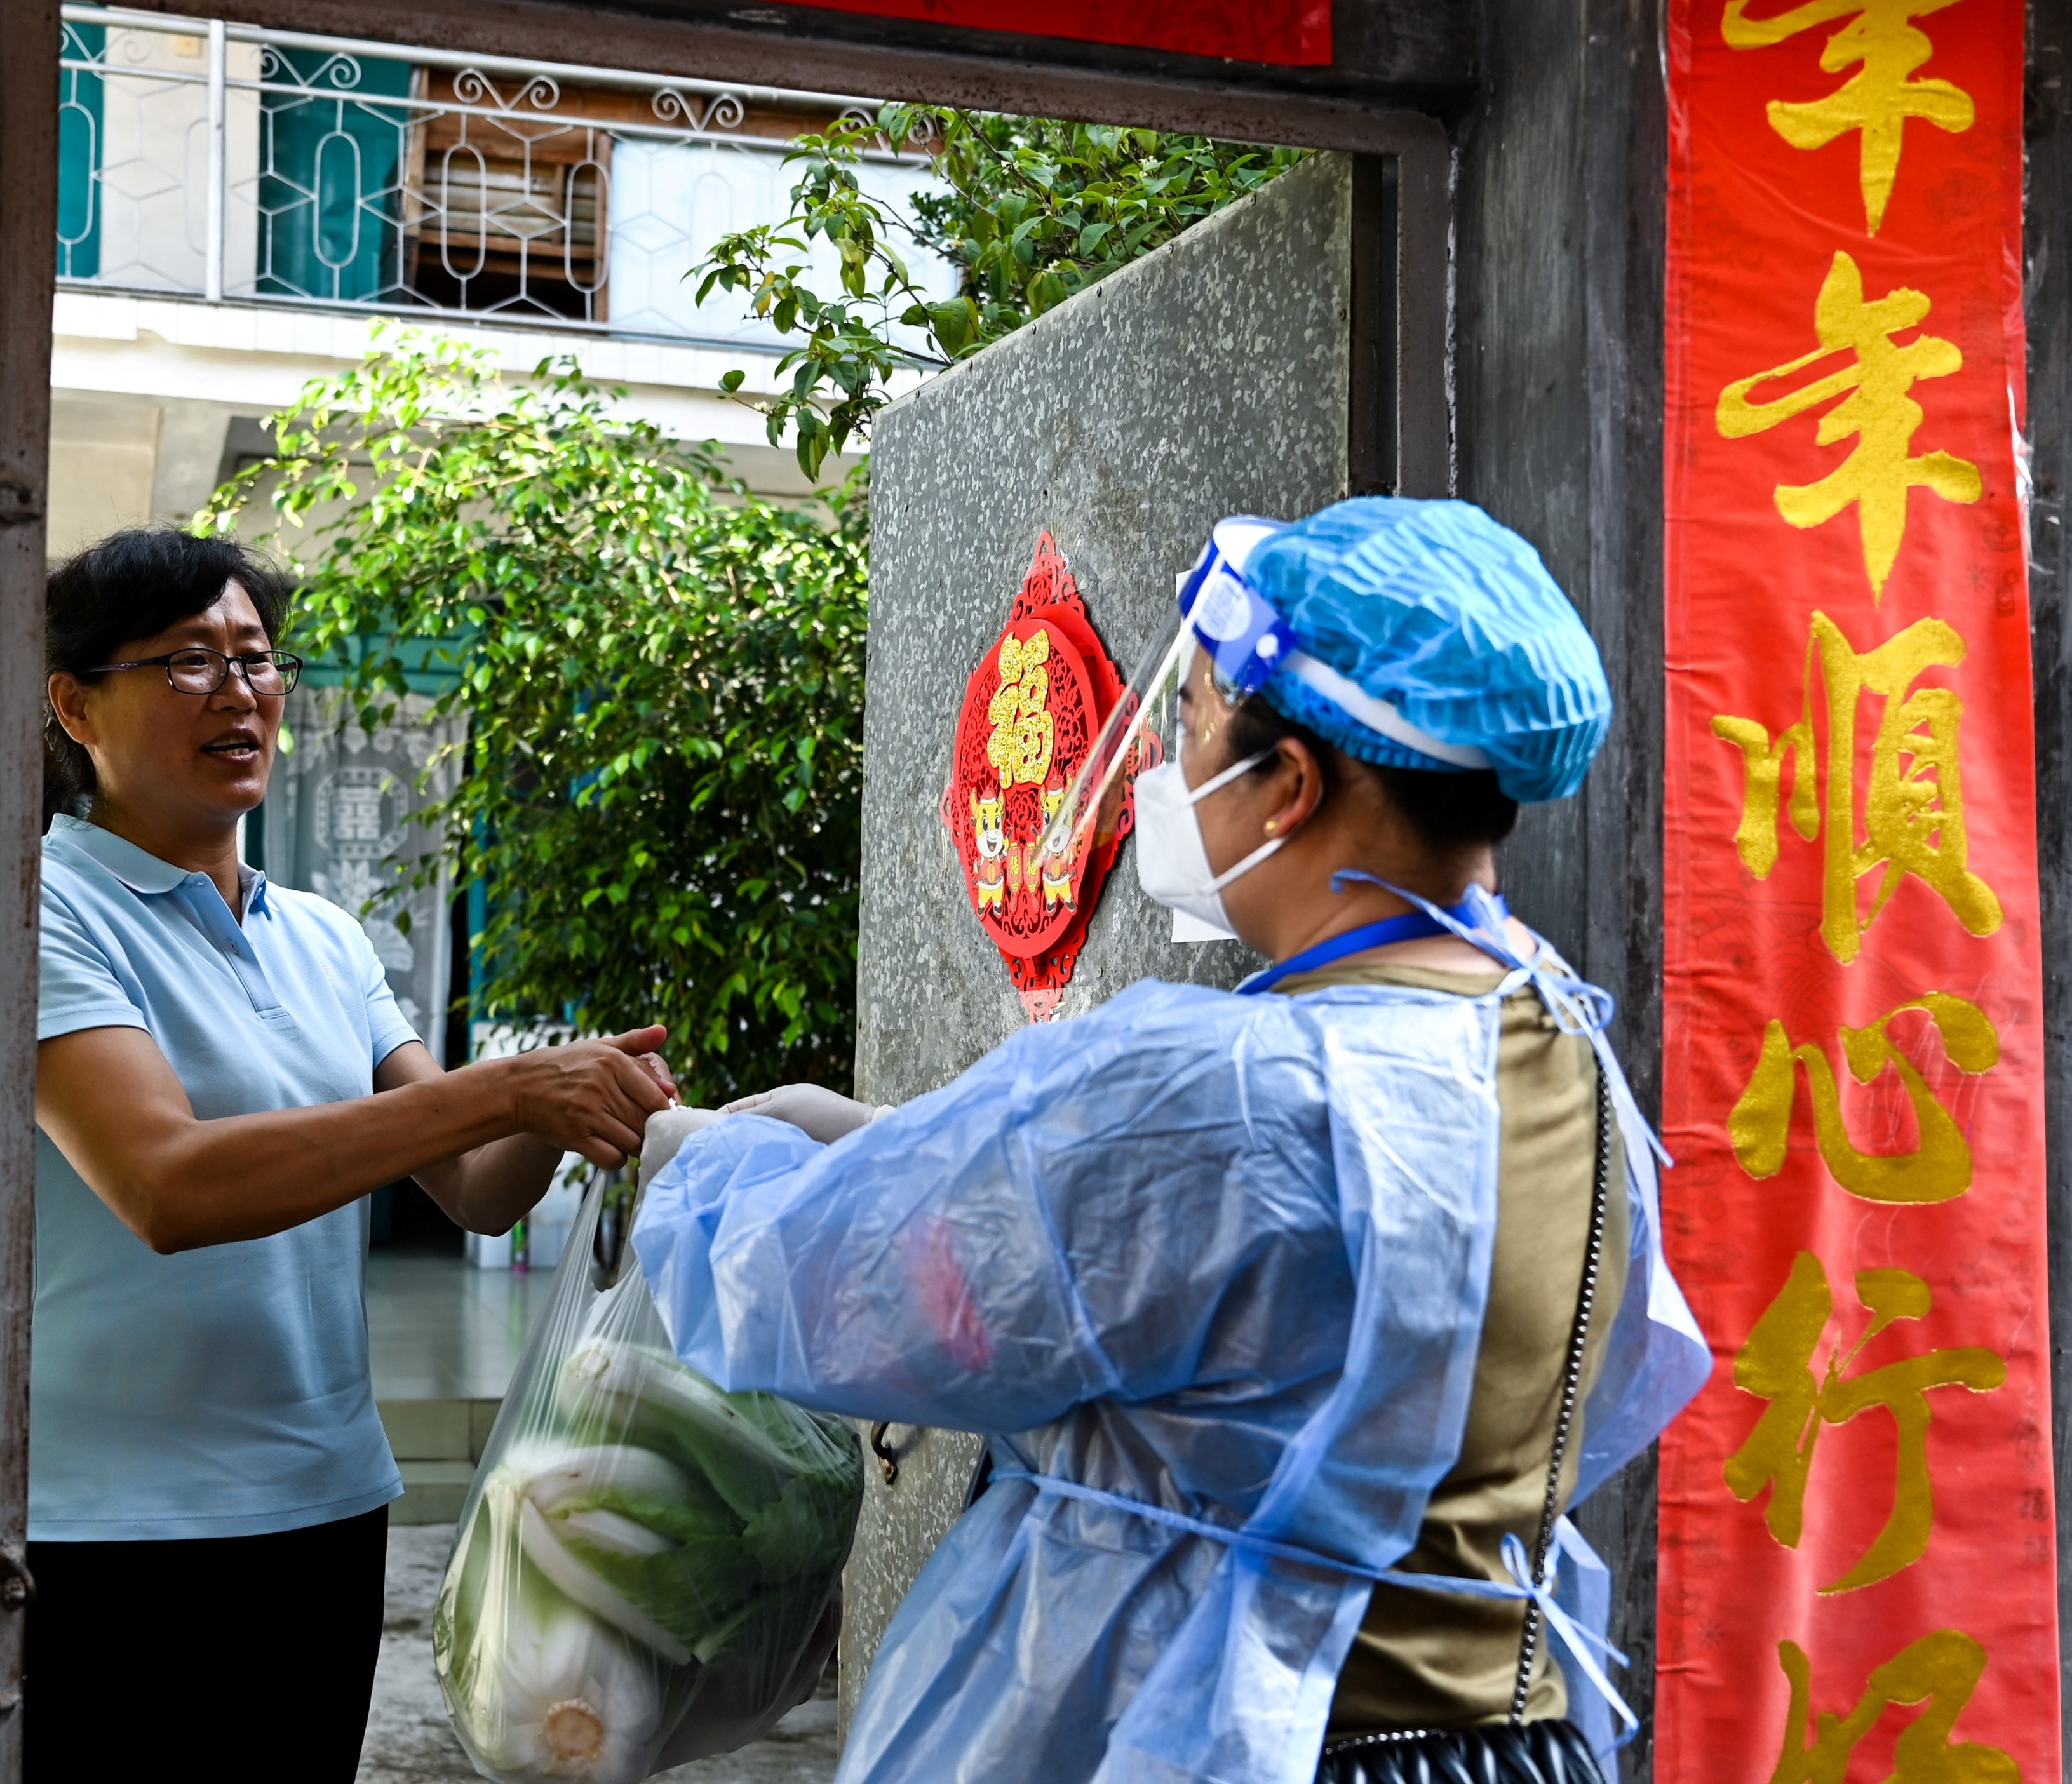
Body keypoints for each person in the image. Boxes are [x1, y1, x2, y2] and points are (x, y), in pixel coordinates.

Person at [634, 498, 1709, 1784]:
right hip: (1499, 1743)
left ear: (1291, 788)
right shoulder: (1552, 1034)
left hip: (1239, 1738)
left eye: (1190, 721)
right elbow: (1295, 1278)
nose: (1165, 759)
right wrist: (881, 1134)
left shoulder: (1228, 1087)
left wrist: (698, 1158)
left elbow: (819, 1291)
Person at [25, 527, 676, 1780]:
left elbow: (476, 1190)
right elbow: (165, 1180)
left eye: (258, 661)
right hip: (109, 1526)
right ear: (72, 703)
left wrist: (560, 1112)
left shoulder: (321, 934)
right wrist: (503, 1087)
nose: (238, 693)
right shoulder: (44, 906)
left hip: (323, 1505)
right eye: (187, 663)